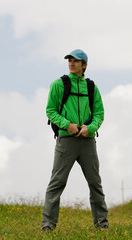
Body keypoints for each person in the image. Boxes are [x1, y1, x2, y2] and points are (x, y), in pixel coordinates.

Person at [41, 49, 108, 231]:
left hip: (88, 141)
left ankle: (102, 224)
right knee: (57, 182)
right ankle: (48, 224)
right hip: (65, 140)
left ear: (84, 65)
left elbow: (99, 114)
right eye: (69, 60)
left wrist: (90, 128)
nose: (71, 63)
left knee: (95, 183)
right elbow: (50, 110)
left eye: (76, 61)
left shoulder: (92, 87)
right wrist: (67, 124)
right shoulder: (58, 84)